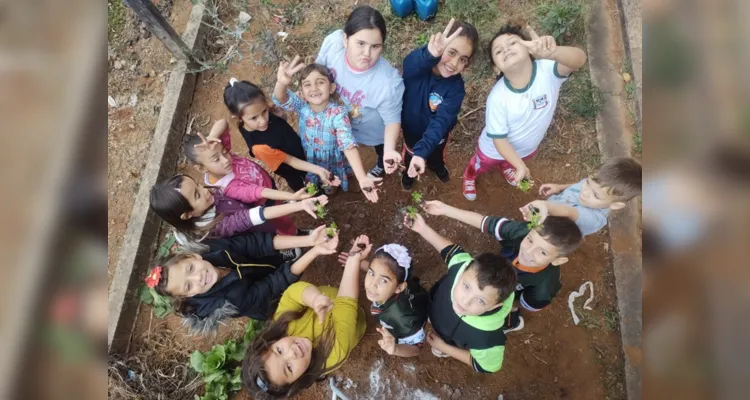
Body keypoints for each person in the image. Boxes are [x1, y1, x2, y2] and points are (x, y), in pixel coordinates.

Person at [462, 24, 587, 200]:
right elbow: (499, 139)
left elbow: (579, 60)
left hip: (527, 148)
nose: (506, 50)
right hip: (491, 150)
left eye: (513, 43)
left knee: (510, 162)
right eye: (498, 51)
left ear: (529, 47)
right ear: (496, 68)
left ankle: (508, 166)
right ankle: (469, 176)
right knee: (480, 165)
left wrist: (553, 52)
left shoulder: (548, 70)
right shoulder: (498, 97)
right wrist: (519, 166)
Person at [422, 200, 582, 332]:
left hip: (506, 299)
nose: (527, 251)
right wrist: (444, 209)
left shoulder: (545, 285)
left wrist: (500, 305)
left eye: (542, 252)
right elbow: (484, 222)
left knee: (505, 315)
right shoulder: (521, 231)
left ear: (558, 261)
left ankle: (511, 324)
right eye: (530, 240)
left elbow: (530, 303)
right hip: (497, 275)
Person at [241, 235, 370, 398]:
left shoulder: (283, 324)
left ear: (271, 342)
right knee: (358, 315)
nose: (292, 352)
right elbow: (347, 304)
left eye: (279, 350)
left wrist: (314, 298)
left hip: (338, 298)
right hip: (353, 318)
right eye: (289, 368)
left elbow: (292, 293)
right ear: (297, 381)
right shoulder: (333, 354)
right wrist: (353, 260)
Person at [144, 228, 333, 335]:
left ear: (193, 256)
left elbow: (254, 244)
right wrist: (314, 251)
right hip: (265, 299)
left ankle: (284, 258)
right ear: (188, 295)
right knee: (287, 297)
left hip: (255, 267)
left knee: (269, 258)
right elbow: (273, 284)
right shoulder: (232, 302)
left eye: (190, 269)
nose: (198, 277)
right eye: (188, 285)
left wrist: (306, 240)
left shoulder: (212, 249)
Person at [404, 212, 517, 373]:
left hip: (450, 341)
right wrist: (423, 228)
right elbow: (450, 252)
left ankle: (442, 350)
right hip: (436, 311)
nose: (465, 302)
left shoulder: (487, 339)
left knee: (441, 349)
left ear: (494, 306)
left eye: (480, 301)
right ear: (463, 272)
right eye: (466, 287)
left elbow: (487, 367)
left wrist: (445, 348)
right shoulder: (462, 266)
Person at [315, 5, 405, 179]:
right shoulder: (333, 45)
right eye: (361, 43)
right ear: (345, 39)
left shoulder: (388, 83)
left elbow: (392, 120)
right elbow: (318, 70)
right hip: (339, 123)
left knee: (379, 148)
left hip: (373, 132)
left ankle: (380, 161)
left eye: (375, 46)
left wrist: (388, 151)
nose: (367, 54)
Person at [272, 58, 380, 203]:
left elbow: (347, 144)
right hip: (312, 158)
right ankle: (331, 186)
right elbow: (281, 98)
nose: (314, 88)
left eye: (320, 82)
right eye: (307, 84)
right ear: (302, 93)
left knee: (343, 171)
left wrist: (362, 177)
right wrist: (281, 83)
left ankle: (351, 178)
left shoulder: (338, 113)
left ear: (332, 88)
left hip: (336, 157)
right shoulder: (302, 106)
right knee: (326, 180)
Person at [222, 78, 341, 191]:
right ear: (238, 118)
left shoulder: (262, 111)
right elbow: (290, 161)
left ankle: (324, 182)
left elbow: (281, 124)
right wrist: (318, 170)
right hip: (294, 169)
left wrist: (280, 115)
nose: (263, 120)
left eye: (264, 111)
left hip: (300, 152)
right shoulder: (259, 147)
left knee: (317, 175)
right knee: (309, 187)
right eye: (254, 118)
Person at [400, 19, 478, 189]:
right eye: (451, 52)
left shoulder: (456, 87)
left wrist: (423, 152)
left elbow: (442, 120)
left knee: (436, 156)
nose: (454, 63)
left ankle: (436, 167)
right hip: (410, 132)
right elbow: (410, 64)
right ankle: (407, 176)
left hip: (438, 136)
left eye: (463, 59)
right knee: (409, 157)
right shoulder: (417, 67)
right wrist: (430, 54)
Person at [150, 174, 327, 246]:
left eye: (197, 184)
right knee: (276, 238)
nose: (204, 190)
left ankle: (296, 233)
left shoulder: (207, 198)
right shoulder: (212, 229)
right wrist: (297, 204)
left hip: (260, 218)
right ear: (187, 215)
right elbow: (247, 218)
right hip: (258, 233)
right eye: (197, 194)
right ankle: (293, 248)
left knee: (282, 226)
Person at [337, 243, 428, 357]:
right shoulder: (390, 289)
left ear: (399, 287)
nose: (372, 285)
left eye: (383, 281)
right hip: (416, 294)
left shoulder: (403, 320)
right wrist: (357, 263)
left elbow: (416, 348)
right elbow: (380, 270)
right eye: (371, 273)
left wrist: (395, 349)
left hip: (416, 314)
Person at [521, 157, 642, 236]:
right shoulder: (597, 184)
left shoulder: (594, 218)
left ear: (615, 205)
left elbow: (569, 211)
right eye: (588, 183)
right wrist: (559, 187)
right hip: (548, 209)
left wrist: (546, 206)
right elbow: (579, 184)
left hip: (555, 231)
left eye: (595, 195)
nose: (584, 192)